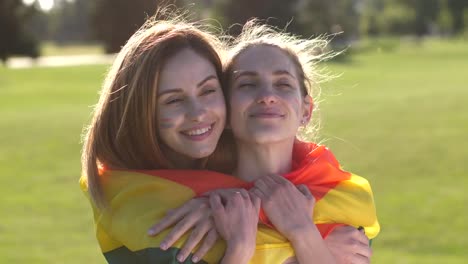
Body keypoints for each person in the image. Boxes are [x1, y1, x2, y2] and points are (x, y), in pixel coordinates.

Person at [80, 14, 378, 264]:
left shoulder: (334, 193)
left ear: (306, 110)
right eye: (247, 84)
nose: (267, 96)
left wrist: (299, 230)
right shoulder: (179, 212)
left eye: (283, 84)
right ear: (228, 105)